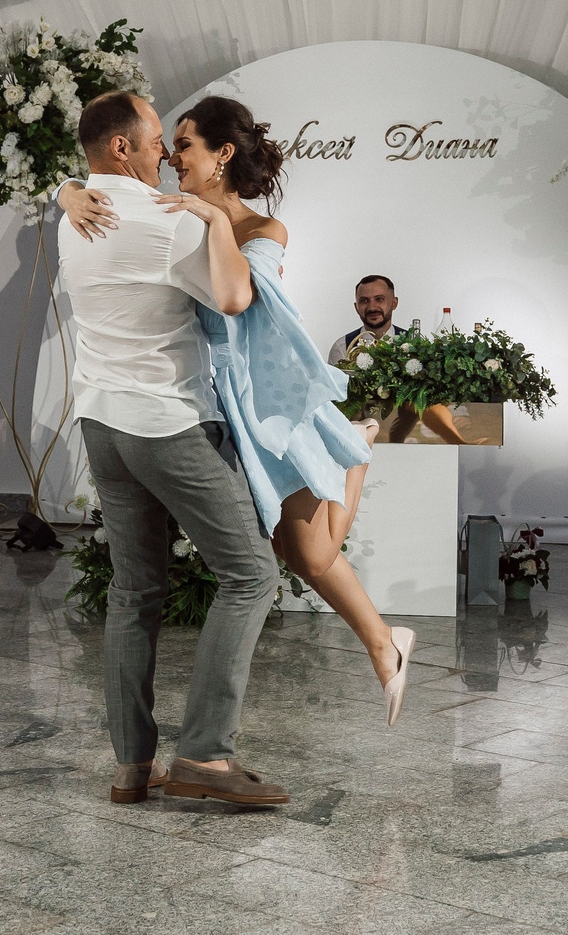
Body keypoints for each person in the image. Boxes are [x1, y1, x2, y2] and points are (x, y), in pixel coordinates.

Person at [64, 96, 414, 723]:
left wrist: (217, 224)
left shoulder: (261, 230)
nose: (172, 156)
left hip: (267, 404)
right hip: (216, 409)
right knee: (290, 556)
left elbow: (244, 300)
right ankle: (387, 641)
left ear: (222, 155)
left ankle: (354, 459)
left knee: (307, 556)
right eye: (168, 143)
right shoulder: (177, 217)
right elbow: (106, 195)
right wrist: (67, 190)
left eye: (187, 144)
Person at [54, 91, 289, 808]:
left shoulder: (72, 212)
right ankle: (204, 757)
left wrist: (64, 188)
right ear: (123, 148)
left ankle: (132, 765)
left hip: (100, 421)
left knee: (135, 590)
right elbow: (236, 297)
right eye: (156, 137)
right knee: (250, 572)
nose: (164, 150)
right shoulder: (166, 224)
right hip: (165, 422)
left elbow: (68, 187)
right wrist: (218, 218)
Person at [323, 275, 413, 367]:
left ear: (394, 303)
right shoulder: (342, 348)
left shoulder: (414, 344)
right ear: (356, 307)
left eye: (379, 299)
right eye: (364, 300)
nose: (372, 307)